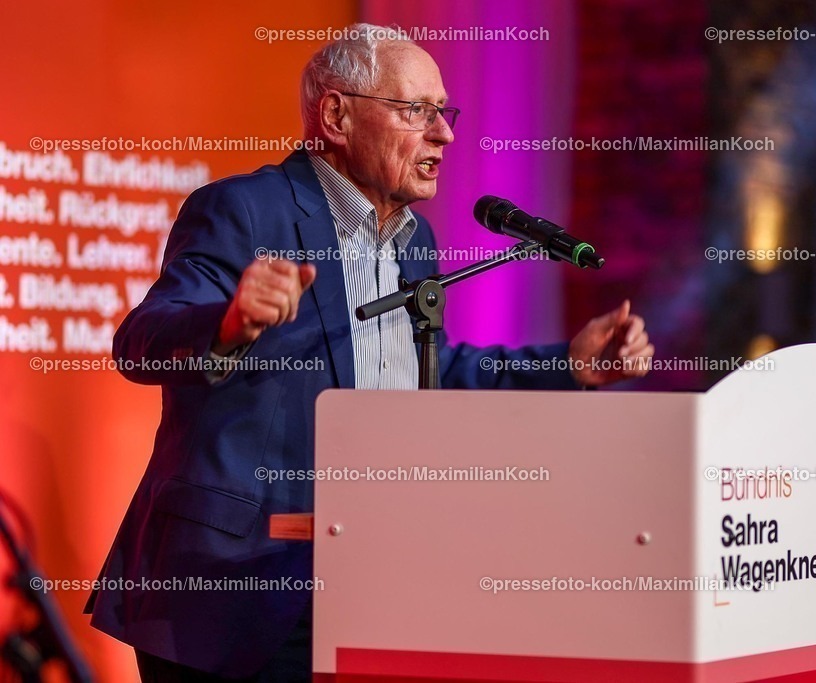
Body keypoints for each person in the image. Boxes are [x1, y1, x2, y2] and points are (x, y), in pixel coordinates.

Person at [86, 24, 654, 682]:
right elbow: (141, 342)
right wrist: (230, 322)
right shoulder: (244, 210)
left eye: (446, 112)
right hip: (227, 590)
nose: (444, 134)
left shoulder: (415, 243)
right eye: (417, 111)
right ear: (336, 115)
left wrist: (566, 365)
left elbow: (427, 372)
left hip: (364, 584)